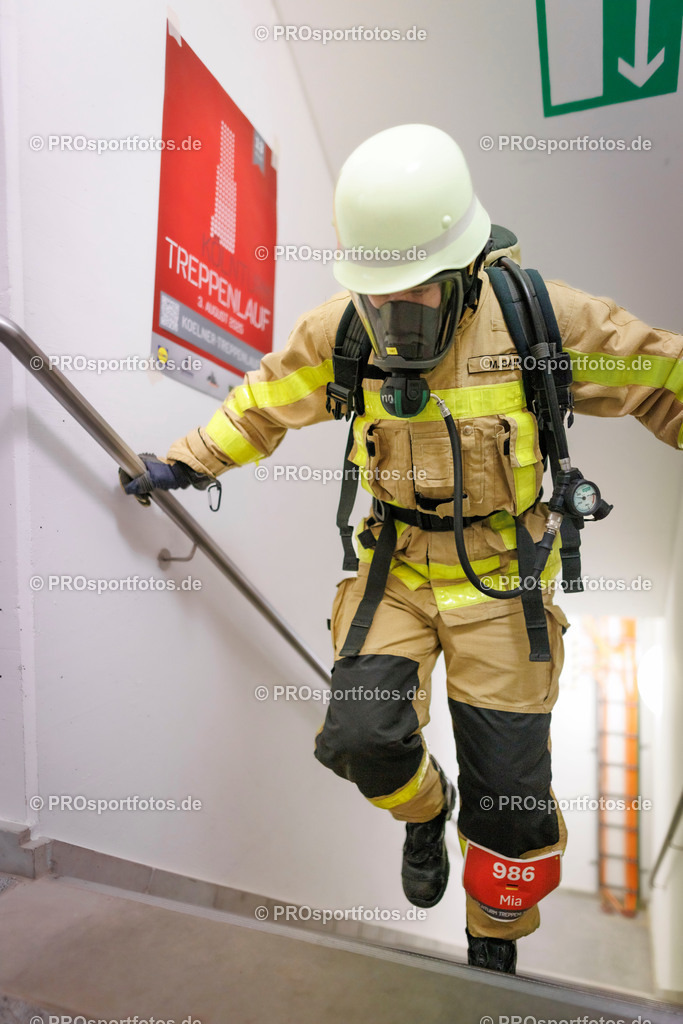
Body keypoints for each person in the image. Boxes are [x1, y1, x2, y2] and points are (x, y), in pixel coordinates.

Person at [121, 124, 683, 974]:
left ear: (463, 269)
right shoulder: (341, 330)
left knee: (511, 799)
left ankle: (490, 951)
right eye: (380, 295)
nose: (393, 315)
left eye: (415, 293)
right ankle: (425, 812)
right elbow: (264, 402)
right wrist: (187, 460)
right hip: (397, 572)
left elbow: (662, 379)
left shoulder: (541, 317)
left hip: (501, 584)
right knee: (359, 736)